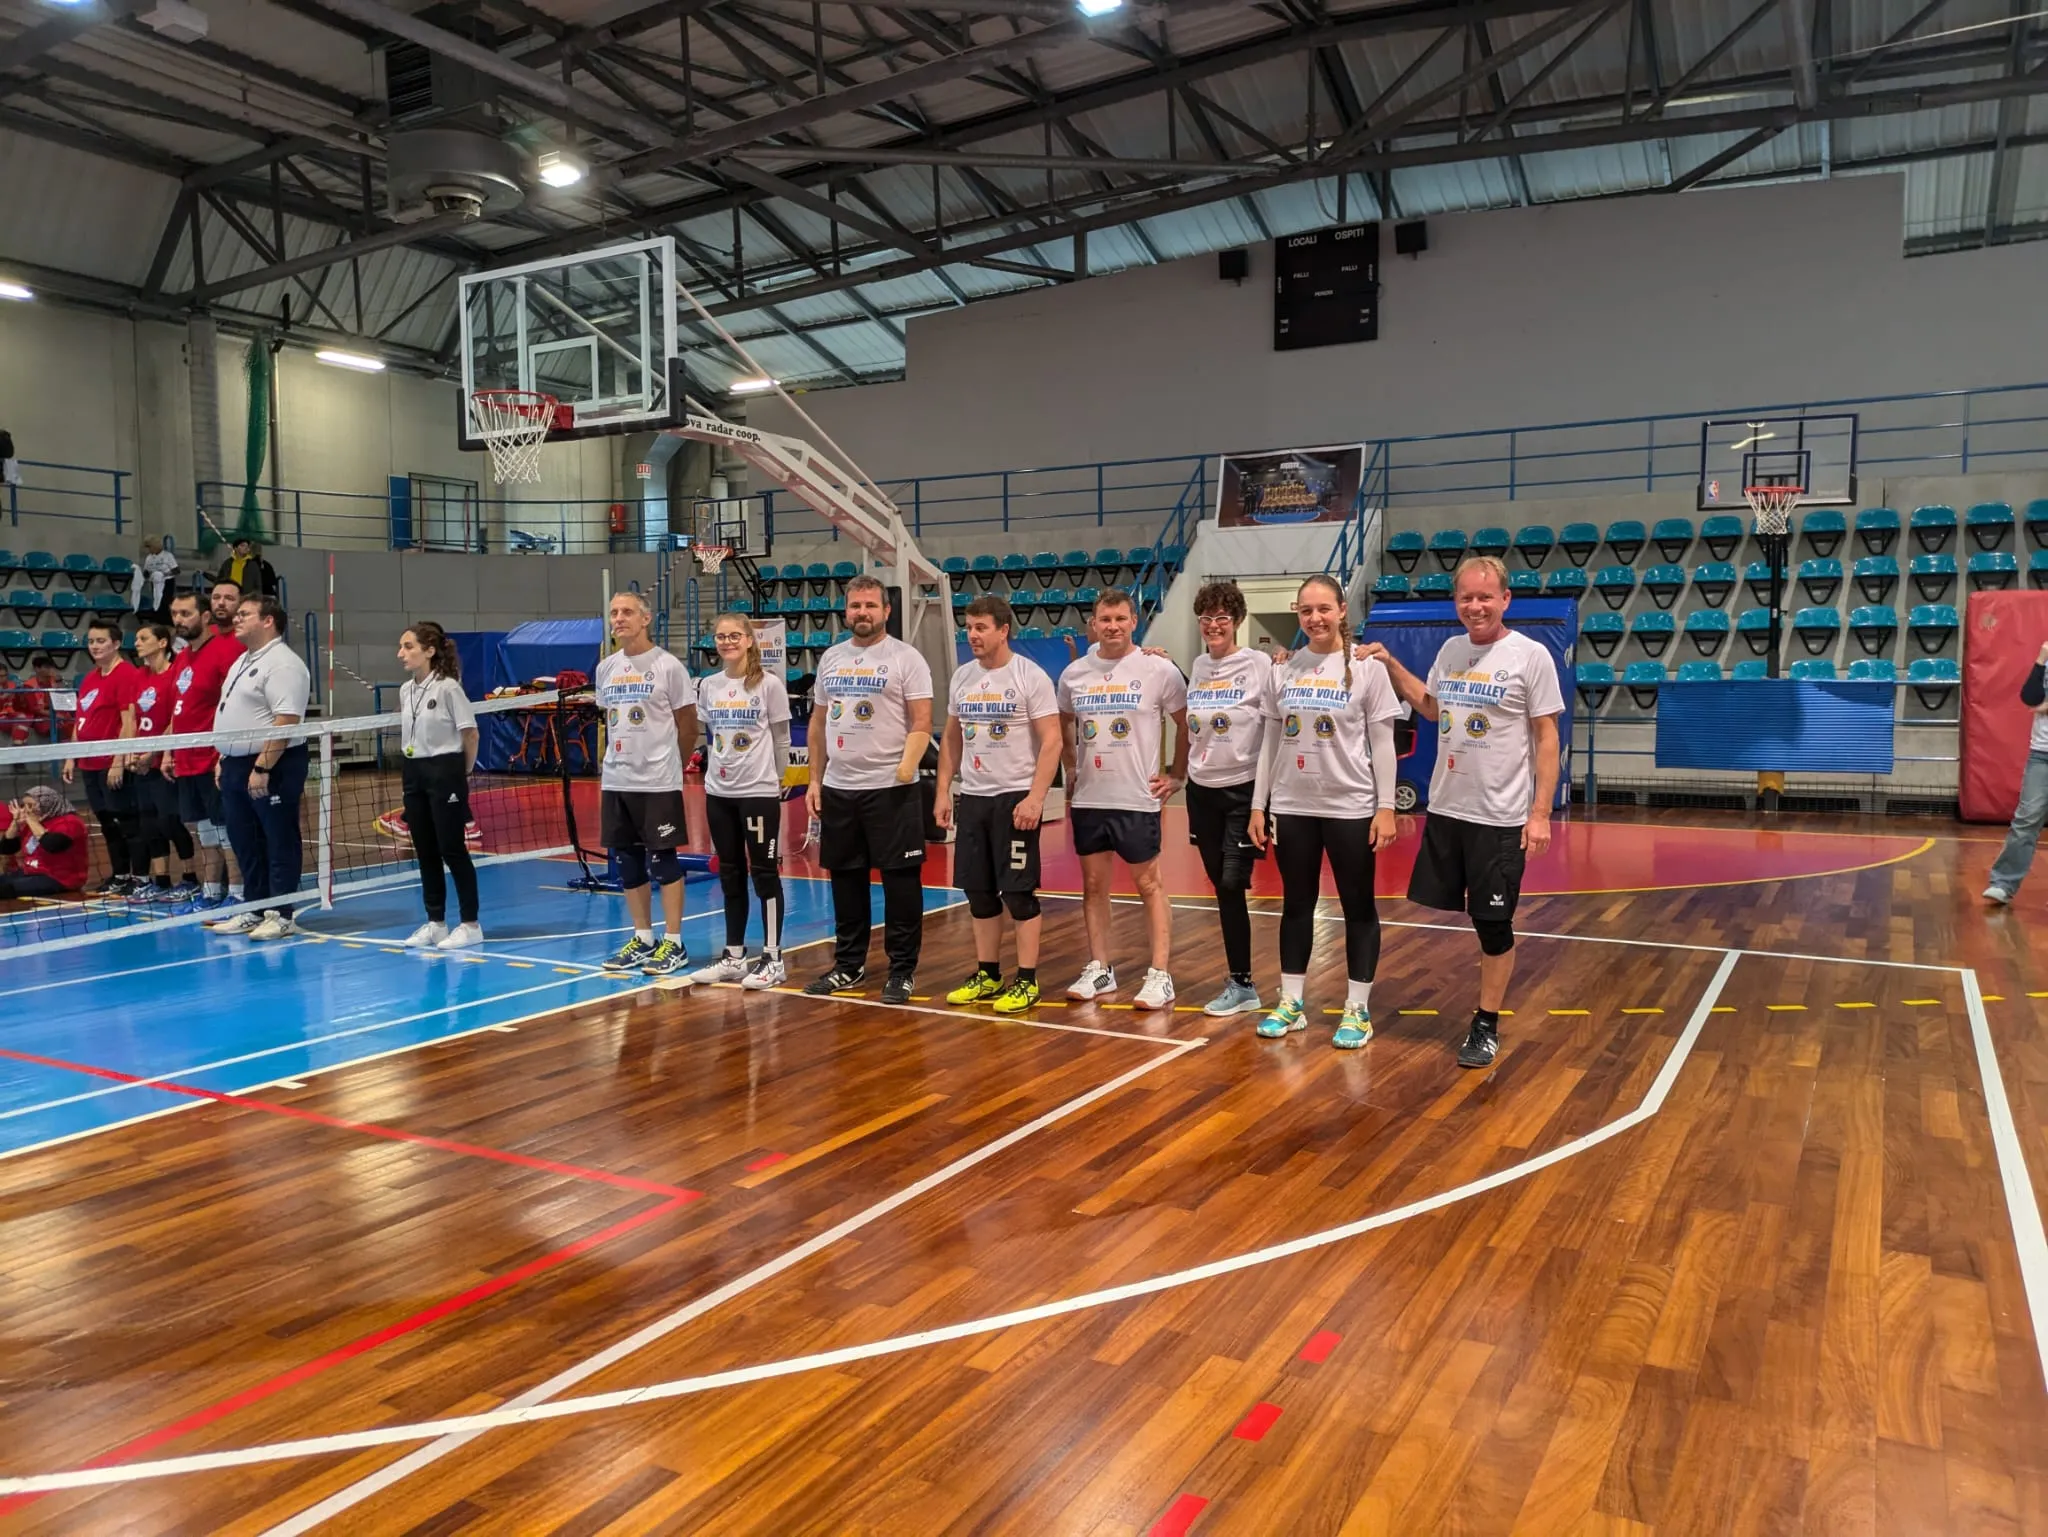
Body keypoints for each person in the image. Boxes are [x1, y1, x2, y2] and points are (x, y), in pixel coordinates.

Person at [1364, 554, 1564, 1068]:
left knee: (1492, 924)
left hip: (1500, 818)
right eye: (1466, 597)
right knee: (1468, 918)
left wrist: (1539, 812)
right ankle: (1482, 1015)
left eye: (1485, 597)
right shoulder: (1452, 649)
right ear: (1456, 602)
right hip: (1449, 809)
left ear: (1505, 600)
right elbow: (1432, 707)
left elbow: (1546, 736)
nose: (1475, 606)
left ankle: (1486, 1022)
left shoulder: (1530, 655)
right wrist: (1389, 663)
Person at [1248, 574, 1401, 1049]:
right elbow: (1270, 740)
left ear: (1341, 611)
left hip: (1350, 806)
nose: (1315, 618)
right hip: (1293, 806)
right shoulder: (1284, 669)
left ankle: (1357, 1009)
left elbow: (1383, 742)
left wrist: (1386, 806)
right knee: (1296, 905)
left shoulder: (1366, 667)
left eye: (1323, 609)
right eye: (1306, 611)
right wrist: (1260, 804)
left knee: (1358, 908)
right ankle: (1292, 1002)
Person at [1057, 587, 1189, 1011]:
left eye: (1120, 619)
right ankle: (1100, 967)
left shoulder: (1158, 669)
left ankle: (1160, 974)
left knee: (1149, 884)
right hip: (1092, 798)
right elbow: (1063, 720)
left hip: (1137, 798)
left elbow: (1186, 723)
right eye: (1104, 619)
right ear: (1093, 624)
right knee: (1093, 887)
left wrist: (1177, 774)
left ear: (1134, 622)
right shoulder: (1075, 673)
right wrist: (1071, 766)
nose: (1112, 626)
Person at [804, 575, 934, 1005]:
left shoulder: (906, 658)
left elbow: (921, 721)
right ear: (847, 610)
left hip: (891, 790)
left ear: (886, 610)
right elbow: (819, 724)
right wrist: (814, 780)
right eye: (855, 605)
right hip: (840, 789)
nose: (862, 613)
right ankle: (848, 965)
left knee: (900, 882)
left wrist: (905, 768)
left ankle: (901, 970)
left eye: (870, 606)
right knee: (846, 880)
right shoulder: (832, 659)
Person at [936, 594, 1063, 1014]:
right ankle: (988, 973)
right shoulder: (963, 677)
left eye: (981, 627)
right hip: (973, 797)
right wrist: (943, 790)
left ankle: (1027, 980)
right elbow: (952, 737)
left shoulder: (1030, 676)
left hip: (1014, 799)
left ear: (1003, 629)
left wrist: (1035, 798)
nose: (972, 635)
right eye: (969, 627)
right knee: (979, 892)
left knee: (1018, 893)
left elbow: (1053, 741)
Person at [593, 590, 697, 979]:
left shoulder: (668, 667)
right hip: (617, 780)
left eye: (627, 612)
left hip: (657, 782)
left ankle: (674, 941)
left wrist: (672, 766)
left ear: (645, 619)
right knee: (627, 861)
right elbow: (611, 720)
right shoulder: (606, 669)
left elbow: (689, 725)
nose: (619, 619)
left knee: (663, 861)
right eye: (614, 613)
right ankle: (643, 938)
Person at [1183, 579, 1274, 1018]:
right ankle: (1240, 982)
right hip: (1202, 792)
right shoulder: (1199, 665)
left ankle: (1244, 983)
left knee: (1233, 883)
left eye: (1222, 618)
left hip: (1243, 791)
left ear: (1236, 621)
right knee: (1222, 888)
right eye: (1206, 618)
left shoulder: (1258, 663)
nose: (1214, 625)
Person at [690, 612, 792, 989]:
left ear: (750, 640)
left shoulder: (769, 685)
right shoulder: (709, 686)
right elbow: (711, 735)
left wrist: (775, 782)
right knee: (730, 872)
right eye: (720, 636)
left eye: (734, 635)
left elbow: (782, 740)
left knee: (764, 875)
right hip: (719, 793)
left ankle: (773, 958)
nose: (727, 642)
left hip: (758, 794)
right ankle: (734, 956)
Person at [206, 594, 311, 940]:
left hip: (272, 763)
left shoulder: (284, 663)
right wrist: (225, 758)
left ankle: (281, 913)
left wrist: (263, 767)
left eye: (245, 614)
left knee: (278, 838)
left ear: (268, 621)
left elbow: (286, 720)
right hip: (236, 765)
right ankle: (254, 907)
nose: (236, 619)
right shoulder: (242, 661)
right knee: (244, 839)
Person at [396, 621, 484, 951]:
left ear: (429, 651)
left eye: (408, 647)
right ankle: (435, 923)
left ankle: (470, 924)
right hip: (414, 770)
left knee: (452, 849)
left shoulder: (448, 687)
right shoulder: (406, 690)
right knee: (426, 851)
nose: (401, 653)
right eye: (401, 647)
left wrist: (461, 773)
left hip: (446, 769)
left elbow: (470, 733)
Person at [163, 581, 244, 911]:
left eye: (186, 613)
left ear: (205, 616)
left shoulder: (226, 651)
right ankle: (211, 892)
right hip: (185, 759)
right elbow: (179, 708)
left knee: (228, 833)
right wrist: (168, 750)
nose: (179, 619)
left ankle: (238, 893)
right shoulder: (182, 657)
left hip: (212, 758)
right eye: (174, 614)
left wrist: (225, 754)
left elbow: (234, 705)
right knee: (206, 834)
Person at [64, 616, 140, 897]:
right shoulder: (90, 678)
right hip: (89, 763)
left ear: (116, 643)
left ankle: (137, 876)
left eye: (101, 641)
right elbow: (81, 720)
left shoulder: (126, 675)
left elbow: (128, 722)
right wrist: (71, 756)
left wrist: (118, 761)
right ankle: (119, 874)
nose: (94, 646)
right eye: (91, 641)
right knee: (107, 822)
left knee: (126, 822)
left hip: (111, 764)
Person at [125, 619, 198, 903]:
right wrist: (131, 752)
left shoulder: (175, 674)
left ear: (163, 642)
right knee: (149, 825)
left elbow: (174, 719)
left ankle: (190, 879)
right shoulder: (140, 676)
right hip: (141, 763)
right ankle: (162, 882)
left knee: (170, 821)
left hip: (165, 761)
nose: (138, 643)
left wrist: (153, 753)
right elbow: (132, 718)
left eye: (143, 638)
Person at [1982, 639, 2048, 906]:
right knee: (2026, 820)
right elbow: (2029, 697)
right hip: (2042, 753)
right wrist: (2041, 658)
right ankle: (2003, 884)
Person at [0, 786, 88, 900]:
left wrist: (30, 820)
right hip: (30, 872)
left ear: (45, 803)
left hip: (59, 878)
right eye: (24, 805)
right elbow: (6, 848)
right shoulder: (33, 822)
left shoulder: (70, 821)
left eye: (30, 805)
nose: (26, 809)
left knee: (4, 890)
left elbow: (52, 845)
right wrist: (15, 823)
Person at [132, 536, 179, 622]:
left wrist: (163, 574)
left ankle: (165, 621)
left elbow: (176, 570)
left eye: (149, 547)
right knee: (156, 602)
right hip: (155, 582)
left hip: (167, 582)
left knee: (164, 602)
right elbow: (146, 572)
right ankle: (157, 619)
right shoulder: (149, 558)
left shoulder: (167, 556)